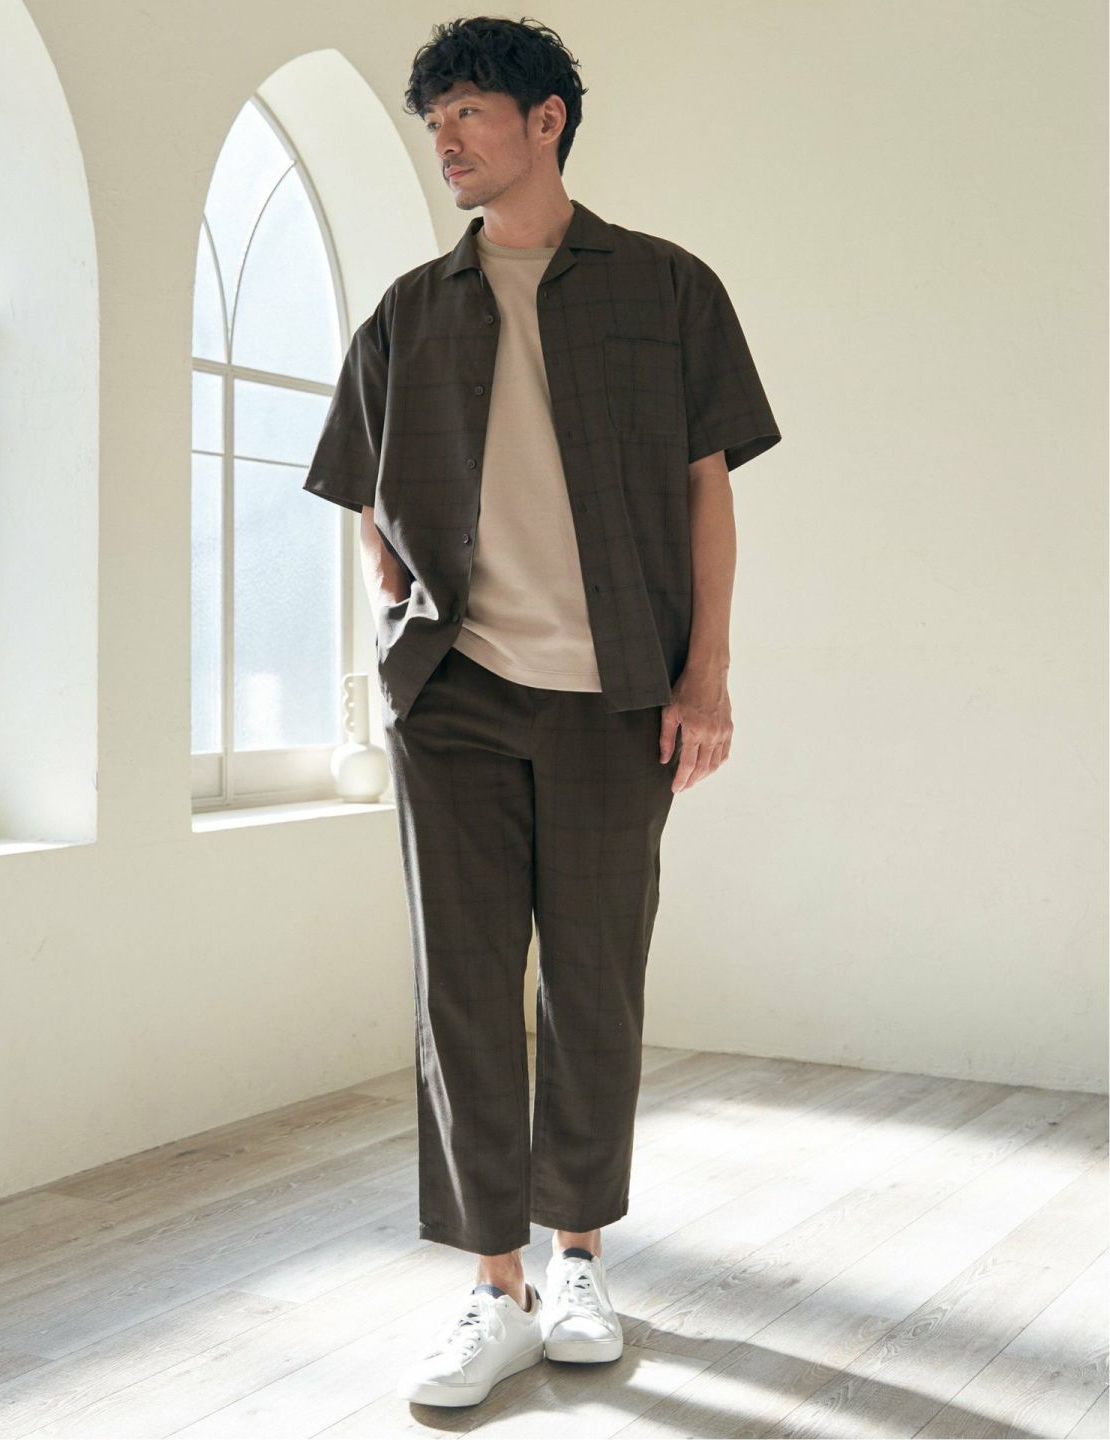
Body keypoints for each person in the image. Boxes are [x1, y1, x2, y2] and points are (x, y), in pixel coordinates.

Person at [302, 15, 782, 1409]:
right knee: (460, 987)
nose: (444, 140)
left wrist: (706, 675)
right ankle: (494, 1284)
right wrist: (393, 589)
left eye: (466, 110)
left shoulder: (669, 289)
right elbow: (360, 485)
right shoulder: (411, 308)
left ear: (546, 118)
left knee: (593, 981)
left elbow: (706, 491)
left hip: (614, 700)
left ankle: (579, 1263)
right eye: (434, 120)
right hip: (452, 699)